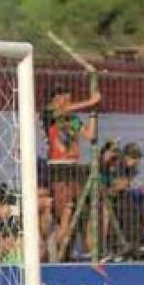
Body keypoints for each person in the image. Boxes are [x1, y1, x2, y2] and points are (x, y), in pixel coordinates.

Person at [42, 86, 101, 247]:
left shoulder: (72, 119)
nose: (68, 102)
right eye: (64, 98)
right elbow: (61, 111)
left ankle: (87, 248)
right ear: (55, 99)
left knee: (82, 209)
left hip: (74, 167)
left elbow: (90, 135)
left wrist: (93, 113)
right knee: (64, 212)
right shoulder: (49, 114)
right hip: (58, 167)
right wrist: (90, 101)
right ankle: (53, 248)